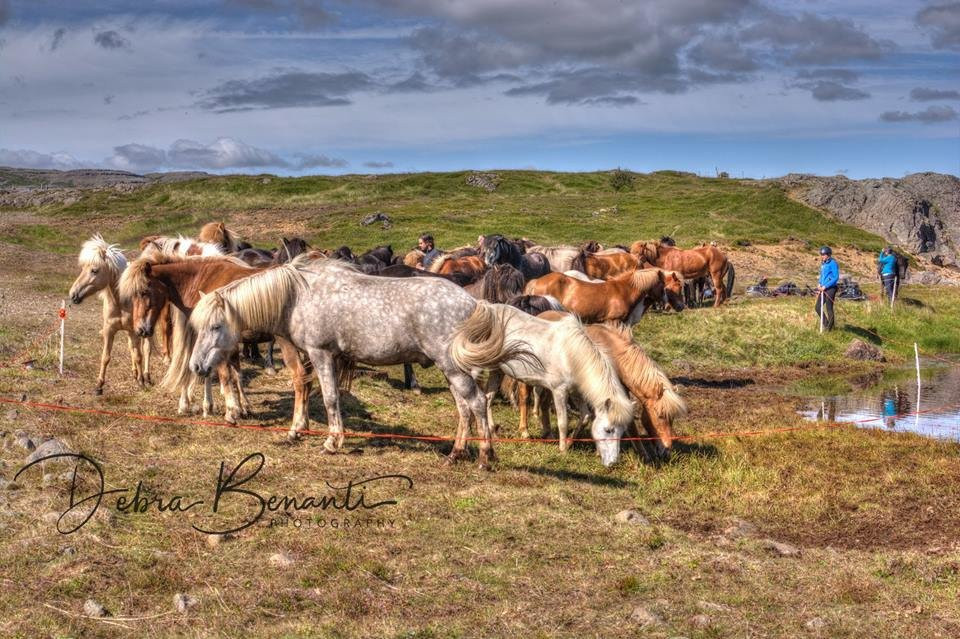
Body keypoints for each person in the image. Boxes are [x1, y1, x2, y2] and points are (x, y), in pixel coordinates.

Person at [815, 246, 839, 331]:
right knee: (817, 307)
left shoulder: (833, 263)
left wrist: (826, 286)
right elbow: (822, 276)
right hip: (823, 288)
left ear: (828, 254)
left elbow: (836, 277)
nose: (822, 256)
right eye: (821, 254)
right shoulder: (823, 264)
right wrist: (819, 284)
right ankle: (826, 324)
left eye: (823, 254)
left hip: (831, 288)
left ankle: (830, 328)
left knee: (829, 308)